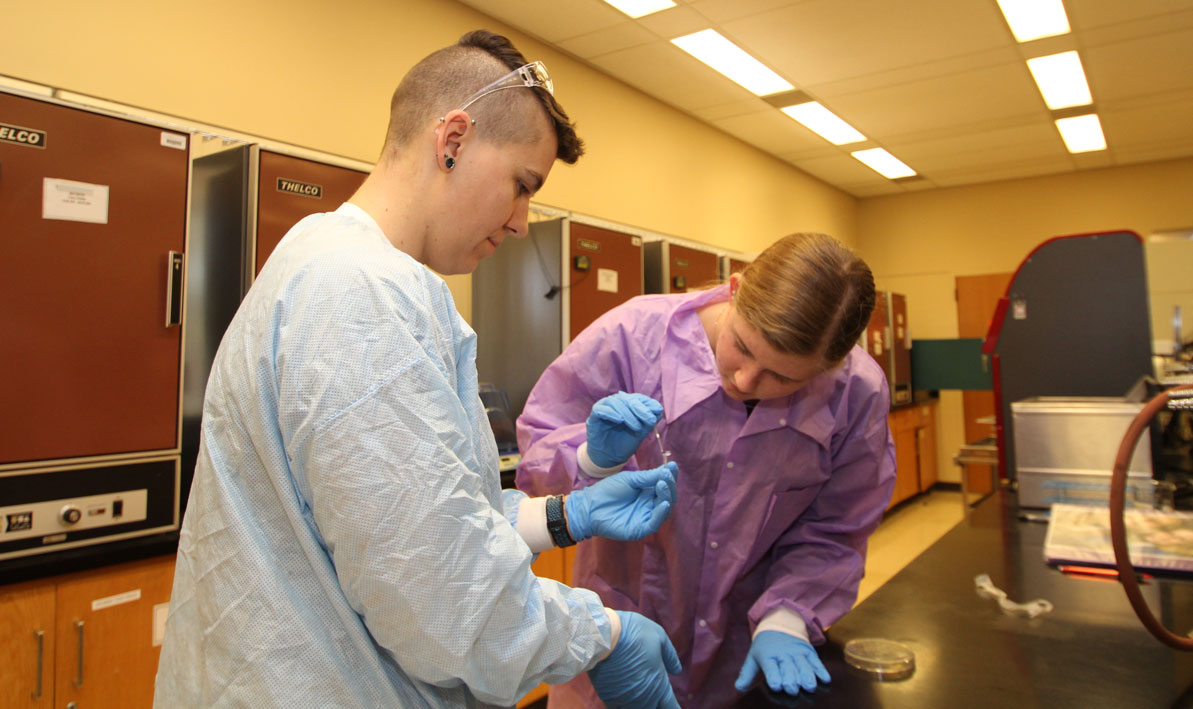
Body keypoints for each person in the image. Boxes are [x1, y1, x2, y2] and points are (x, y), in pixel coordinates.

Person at [154, 30, 685, 708]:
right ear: (453, 139)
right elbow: (441, 593)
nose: (523, 222)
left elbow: (414, 522)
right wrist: (598, 633)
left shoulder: (320, 256)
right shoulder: (366, 291)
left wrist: (560, 515)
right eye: (522, 186)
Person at [516, 232, 897, 707]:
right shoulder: (633, 336)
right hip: (617, 641)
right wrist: (593, 459)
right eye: (742, 346)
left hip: (742, 653)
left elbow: (835, 528)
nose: (745, 380)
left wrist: (788, 618)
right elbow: (537, 458)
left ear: (831, 367)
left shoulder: (855, 394)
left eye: (783, 377)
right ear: (735, 290)